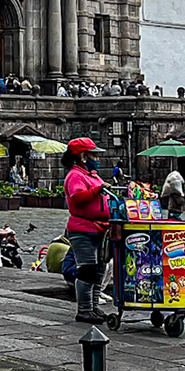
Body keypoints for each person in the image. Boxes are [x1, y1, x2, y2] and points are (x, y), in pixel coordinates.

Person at [63, 137, 113, 324]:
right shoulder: (76, 175)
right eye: (94, 155)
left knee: (99, 269)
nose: (97, 159)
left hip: (99, 228)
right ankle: (84, 309)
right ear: (83, 156)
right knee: (87, 269)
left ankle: (93, 307)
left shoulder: (90, 174)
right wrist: (97, 189)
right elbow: (77, 197)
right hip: (83, 229)